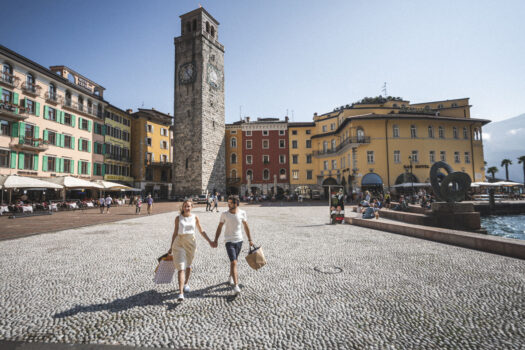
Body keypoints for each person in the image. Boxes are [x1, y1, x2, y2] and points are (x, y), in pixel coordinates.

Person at [168, 199, 212, 302]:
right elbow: (174, 233)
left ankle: (186, 283)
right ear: (182, 207)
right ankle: (180, 293)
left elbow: (201, 231)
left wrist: (210, 241)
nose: (187, 208)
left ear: (192, 207)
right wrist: (170, 247)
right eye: (185, 206)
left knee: (188, 265)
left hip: (191, 244)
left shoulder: (195, 217)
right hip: (179, 243)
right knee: (181, 267)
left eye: (188, 206)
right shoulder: (178, 218)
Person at [212, 195, 253, 295]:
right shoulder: (224, 214)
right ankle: (236, 285)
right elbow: (219, 227)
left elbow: (246, 226)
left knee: (234, 261)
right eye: (228, 203)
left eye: (230, 203)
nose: (228, 205)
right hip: (229, 241)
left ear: (236, 204)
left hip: (239, 240)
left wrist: (250, 239)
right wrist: (216, 240)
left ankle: (230, 277)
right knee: (234, 262)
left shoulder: (243, 213)